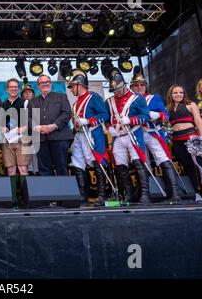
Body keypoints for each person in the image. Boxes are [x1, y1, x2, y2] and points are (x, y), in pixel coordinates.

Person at [130, 68, 181, 202]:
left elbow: (166, 116)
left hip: (152, 133)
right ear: (132, 87)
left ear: (145, 86)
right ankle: (144, 195)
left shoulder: (154, 98)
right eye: (136, 85)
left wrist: (157, 115)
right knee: (142, 163)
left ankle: (175, 193)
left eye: (142, 84)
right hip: (137, 133)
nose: (139, 87)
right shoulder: (129, 102)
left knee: (162, 159)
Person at [105, 68, 151, 203]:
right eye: (115, 91)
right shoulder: (109, 101)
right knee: (120, 166)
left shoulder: (137, 98)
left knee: (139, 164)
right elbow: (107, 119)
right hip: (117, 137)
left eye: (119, 89)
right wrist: (109, 128)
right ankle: (129, 194)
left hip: (133, 134)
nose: (117, 93)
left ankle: (144, 195)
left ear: (125, 86)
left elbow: (146, 117)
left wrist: (131, 120)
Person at [68, 70, 110, 205]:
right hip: (79, 135)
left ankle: (102, 196)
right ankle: (82, 195)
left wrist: (88, 121)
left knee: (97, 162)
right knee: (77, 163)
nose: (71, 89)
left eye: (73, 86)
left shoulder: (93, 97)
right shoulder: (75, 103)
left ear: (80, 85)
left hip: (92, 134)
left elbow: (105, 115)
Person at [167, 84, 202, 202]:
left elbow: (198, 121)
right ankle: (197, 194)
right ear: (171, 94)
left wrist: (201, 138)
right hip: (177, 141)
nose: (178, 95)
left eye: (181, 92)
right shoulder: (168, 108)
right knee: (188, 167)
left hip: (192, 138)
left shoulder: (190, 104)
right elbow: (168, 125)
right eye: (175, 93)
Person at [27, 74, 73, 175]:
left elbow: (67, 113)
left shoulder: (61, 97)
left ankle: (65, 191)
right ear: (38, 86)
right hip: (41, 139)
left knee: (61, 166)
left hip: (59, 137)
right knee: (43, 169)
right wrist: (37, 127)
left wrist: (53, 126)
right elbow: (28, 118)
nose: (45, 84)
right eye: (42, 82)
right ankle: (48, 191)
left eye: (47, 82)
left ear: (51, 84)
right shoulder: (33, 101)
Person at [21, 81, 39, 175]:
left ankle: (36, 173)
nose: (27, 93)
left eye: (30, 92)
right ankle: (29, 174)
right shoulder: (20, 104)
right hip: (23, 135)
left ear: (33, 93)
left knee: (35, 156)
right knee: (26, 157)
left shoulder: (38, 103)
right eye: (25, 92)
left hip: (35, 133)